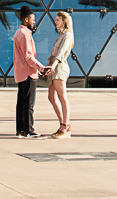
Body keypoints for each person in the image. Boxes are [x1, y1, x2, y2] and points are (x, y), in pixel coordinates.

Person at [12, 5, 46, 138]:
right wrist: (42, 68)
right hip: (28, 73)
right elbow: (28, 57)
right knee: (28, 104)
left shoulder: (18, 33)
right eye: (32, 20)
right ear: (26, 20)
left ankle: (20, 129)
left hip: (22, 73)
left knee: (21, 102)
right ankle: (29, 130)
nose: (34, 22)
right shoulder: (25, 35)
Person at [45, 10, 74, 138]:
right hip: (53, 66)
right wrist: (49, 66)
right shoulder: (61, 34)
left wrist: (53, 66)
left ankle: (65, 126)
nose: (55, 22)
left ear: (64, 21)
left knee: (62, 97)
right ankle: (64, 125)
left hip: (59, 67)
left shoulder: (67, 35)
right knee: (51, 97)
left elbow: (61, 53)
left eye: (58, 20)